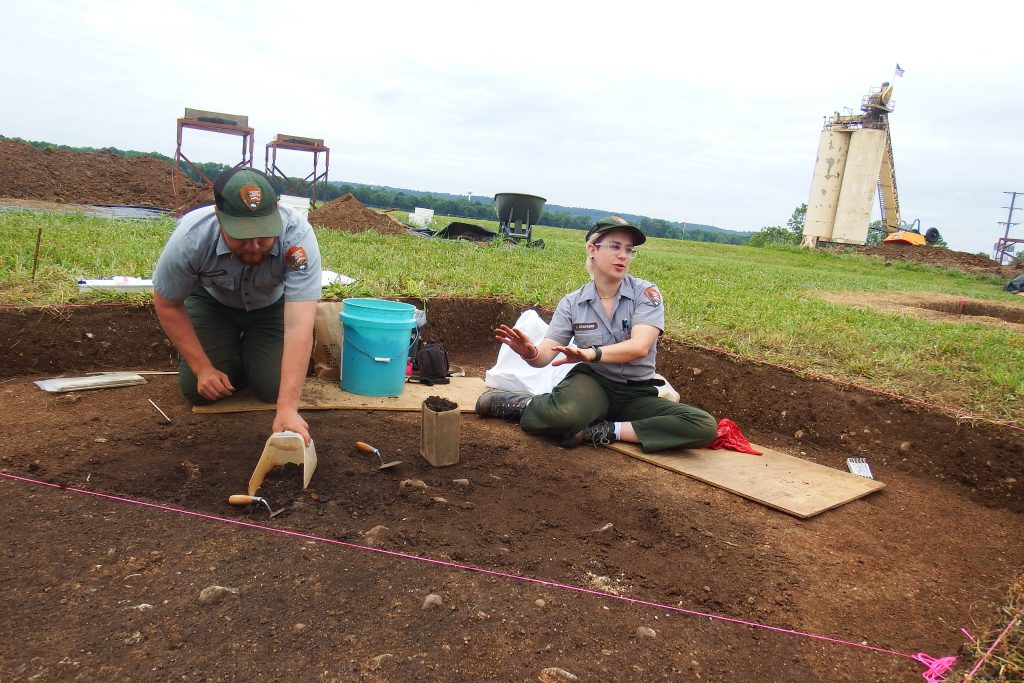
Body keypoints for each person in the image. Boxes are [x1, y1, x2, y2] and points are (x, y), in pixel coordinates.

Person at [476, 216, 717, 453]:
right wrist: (531, 353)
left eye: (629, 249)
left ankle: (607, 430)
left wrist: (591, 353)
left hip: (637, 392)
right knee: (564, 417)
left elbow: (639, 347)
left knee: (703, 426)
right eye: (614, 246)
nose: (623, 255)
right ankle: (522, 405)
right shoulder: (573, 303)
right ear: (593, 249)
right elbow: (545, 356)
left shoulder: (646, 293)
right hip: (594, 383)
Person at [153, 167, 321, 444]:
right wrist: (203, 368)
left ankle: (251, 357)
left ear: (276, 211)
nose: (254, 246)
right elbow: (168, 304)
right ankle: (232, 354)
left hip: (271, 307)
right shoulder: (191, 238)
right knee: (198, 391)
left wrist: (287, 408)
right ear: (219, 217)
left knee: (272, 389)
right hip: (213, 303)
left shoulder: (298, 239)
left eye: (264, 235)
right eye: (242, 236)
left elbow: (299, 322)